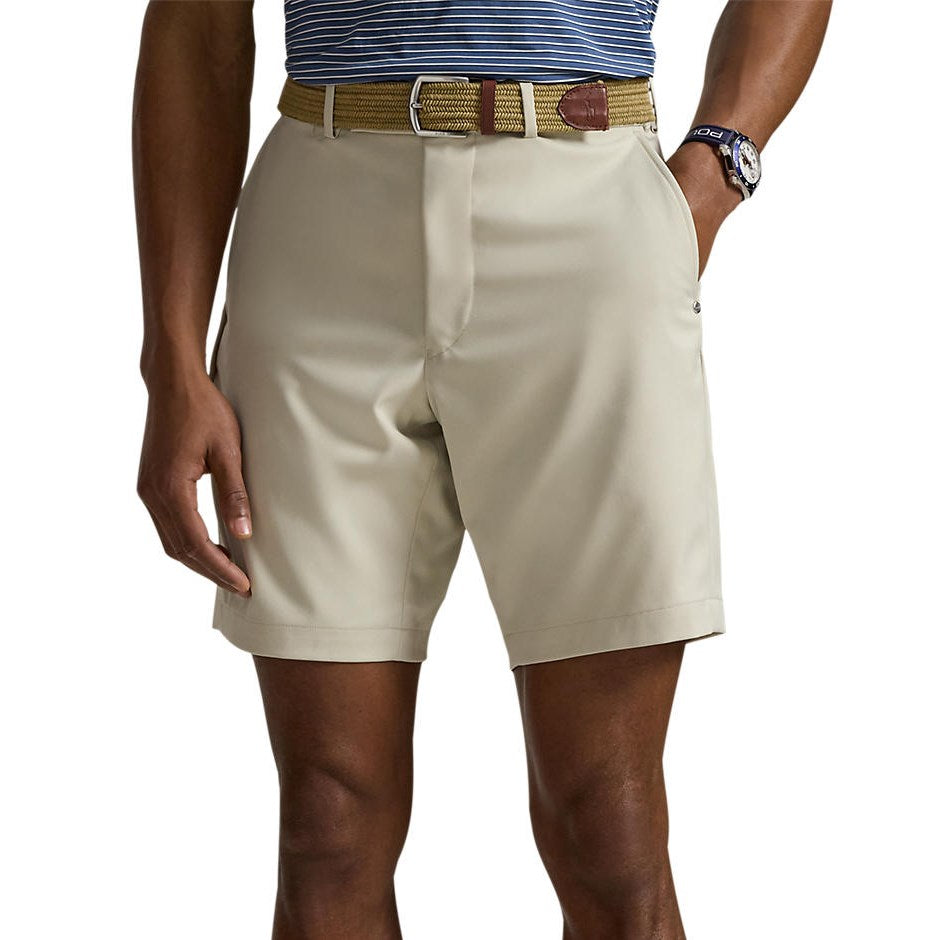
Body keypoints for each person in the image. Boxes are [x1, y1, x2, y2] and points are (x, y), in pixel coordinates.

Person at [133, 2, 831, 936]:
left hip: (584, 207)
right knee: (327, 822)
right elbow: (196, 24)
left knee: (607, 826)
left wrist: (714, 169)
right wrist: (172, 359)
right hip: (323, 224)